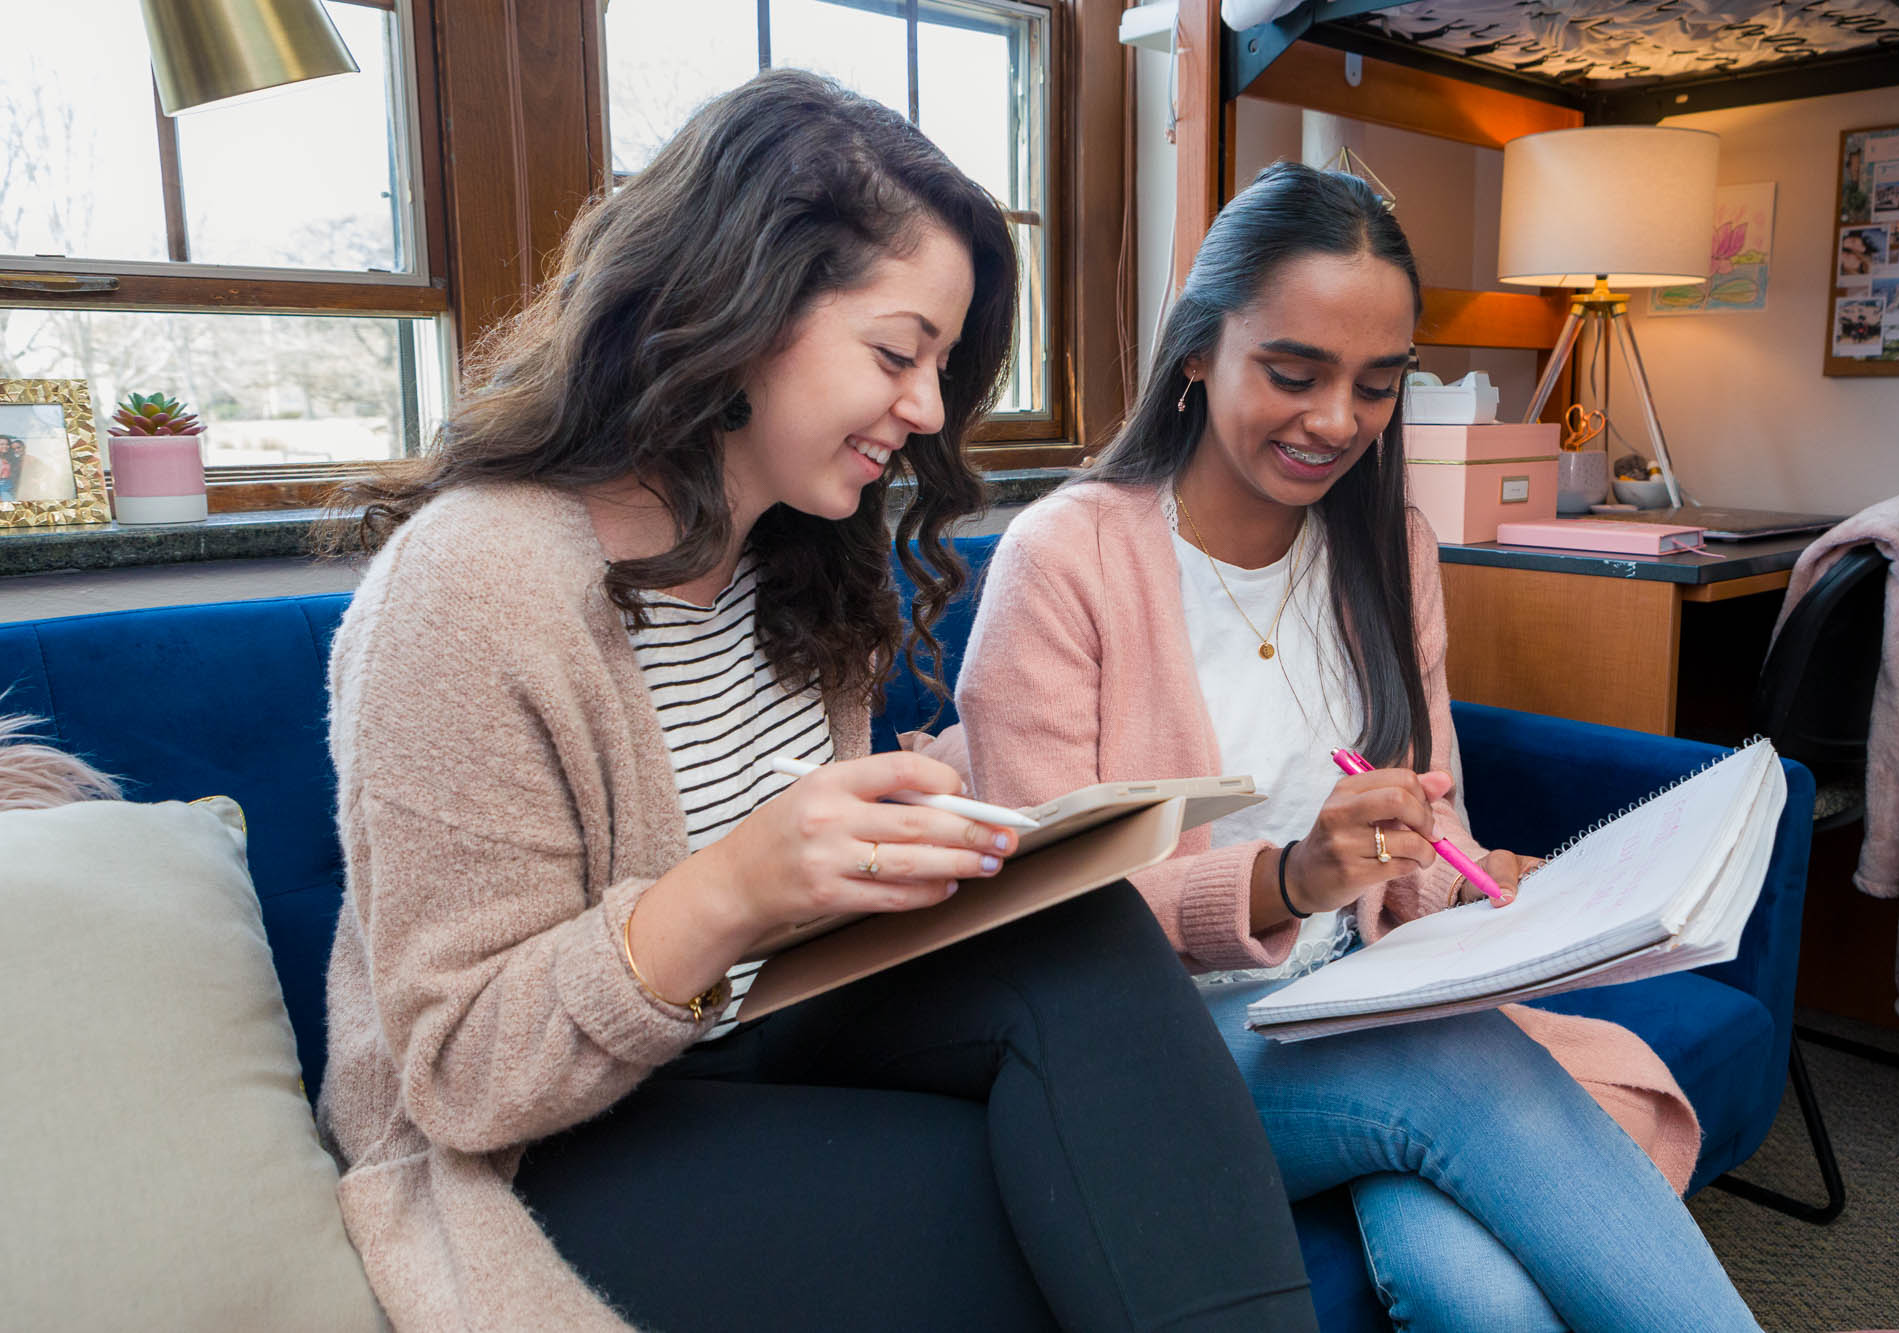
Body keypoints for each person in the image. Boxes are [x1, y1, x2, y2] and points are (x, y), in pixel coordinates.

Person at [314, 71, 1317, 1333]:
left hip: (760, 1042)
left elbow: (805, 930)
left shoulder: (798, 553)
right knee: (1052, 1198)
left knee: (1086, 938)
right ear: (738, 306)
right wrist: (736, 887)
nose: (927, 410)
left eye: (942, 367)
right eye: (897, 353)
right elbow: (461, 1070)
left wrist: (924, 855)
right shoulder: (474, 585)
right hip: (544, 1143)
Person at [954, 163, 1763, 1333]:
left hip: (1360, 997)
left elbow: (1426, 832)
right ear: (1195, 350)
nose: (1336, 421)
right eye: (1292, 373)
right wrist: (1286, 877)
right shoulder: (1065, 558)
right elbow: (1043, 911)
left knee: (1477, 1290)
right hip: (1143, 1041)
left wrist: (1492, 894)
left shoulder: (1387, 546)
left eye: (1378, 386)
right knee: (1453, 1066)